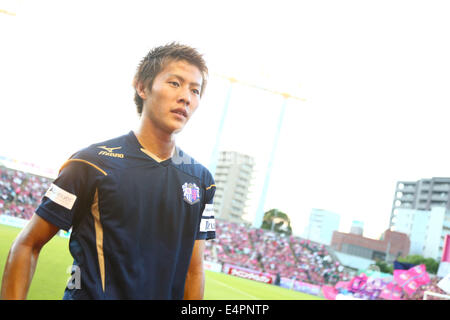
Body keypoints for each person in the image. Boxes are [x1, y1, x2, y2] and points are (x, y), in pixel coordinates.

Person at [0, 42, 216, 300]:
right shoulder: (89, 164)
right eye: (175, 83)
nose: (186, 97)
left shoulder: (201, 181)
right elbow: (27, 244)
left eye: (195, 90)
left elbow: (193, 271)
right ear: (142, 86)